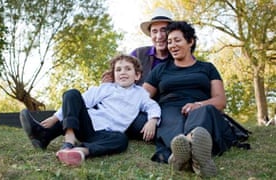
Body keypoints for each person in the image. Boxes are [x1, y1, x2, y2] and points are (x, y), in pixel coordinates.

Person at [20, 54, 161, 166]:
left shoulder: (140, 93)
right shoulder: (106, 88)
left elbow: (152, 106)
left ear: (137, 75)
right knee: (72, 94)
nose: (123, 72)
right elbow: (82, 100)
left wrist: (152, 120)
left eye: (127, 69)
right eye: (118, 69)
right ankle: (69, 139)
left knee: (122, 140)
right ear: (113, 75)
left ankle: (80, 151)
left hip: (106, 134)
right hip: (87, 126)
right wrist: (55, 118)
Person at [143, 21, 238, 177]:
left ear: (190, 41)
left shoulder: (207, 68)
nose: (172, 45)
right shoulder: (161, 69)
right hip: (170, 109)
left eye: (177, 40)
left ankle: (182, 152)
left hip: (200, 108)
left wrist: (199, 104)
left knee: (205, 111)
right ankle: (194, 155)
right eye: (169, 42)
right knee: (170, 118)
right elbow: (141, 97)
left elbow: (220, 101)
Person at [103, 7, 173, 140]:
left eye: (164, 30)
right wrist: (109, 81)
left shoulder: (177, 58)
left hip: (159, 111)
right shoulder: (139, 54)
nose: (159, 36)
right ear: (150, 34)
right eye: (154, 31)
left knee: (157, 124)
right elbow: (118, 74)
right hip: (131, 107)